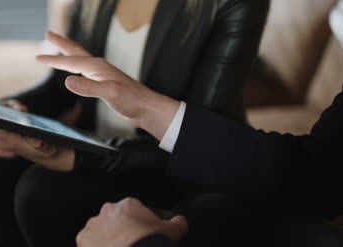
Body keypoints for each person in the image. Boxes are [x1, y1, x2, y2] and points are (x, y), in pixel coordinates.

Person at [0, 0, 270, 246]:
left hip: (173, 165)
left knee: (44, 191)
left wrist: (76, 157)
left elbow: (197, 137)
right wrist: (12, 112)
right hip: (102, 147)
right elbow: (64, 85)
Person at [30, 2, 343, 246]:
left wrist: (80, 157)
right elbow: (317, 174)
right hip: (120, 146)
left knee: (42, 192)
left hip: (162, 164)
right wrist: (18, 113)